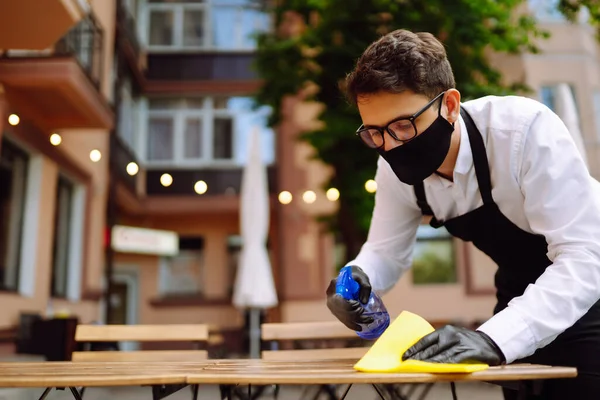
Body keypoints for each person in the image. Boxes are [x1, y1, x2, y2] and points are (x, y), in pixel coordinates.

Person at [325, 29, 600, 399]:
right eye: (375, 133)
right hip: (517, 296)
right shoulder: (393, 170)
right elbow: (385, 251)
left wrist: (494, 337)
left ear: (450, 106)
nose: (389, 146)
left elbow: (586, 256)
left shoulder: (522, 131)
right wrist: (356, 278)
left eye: (403, 126)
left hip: (588, 297)